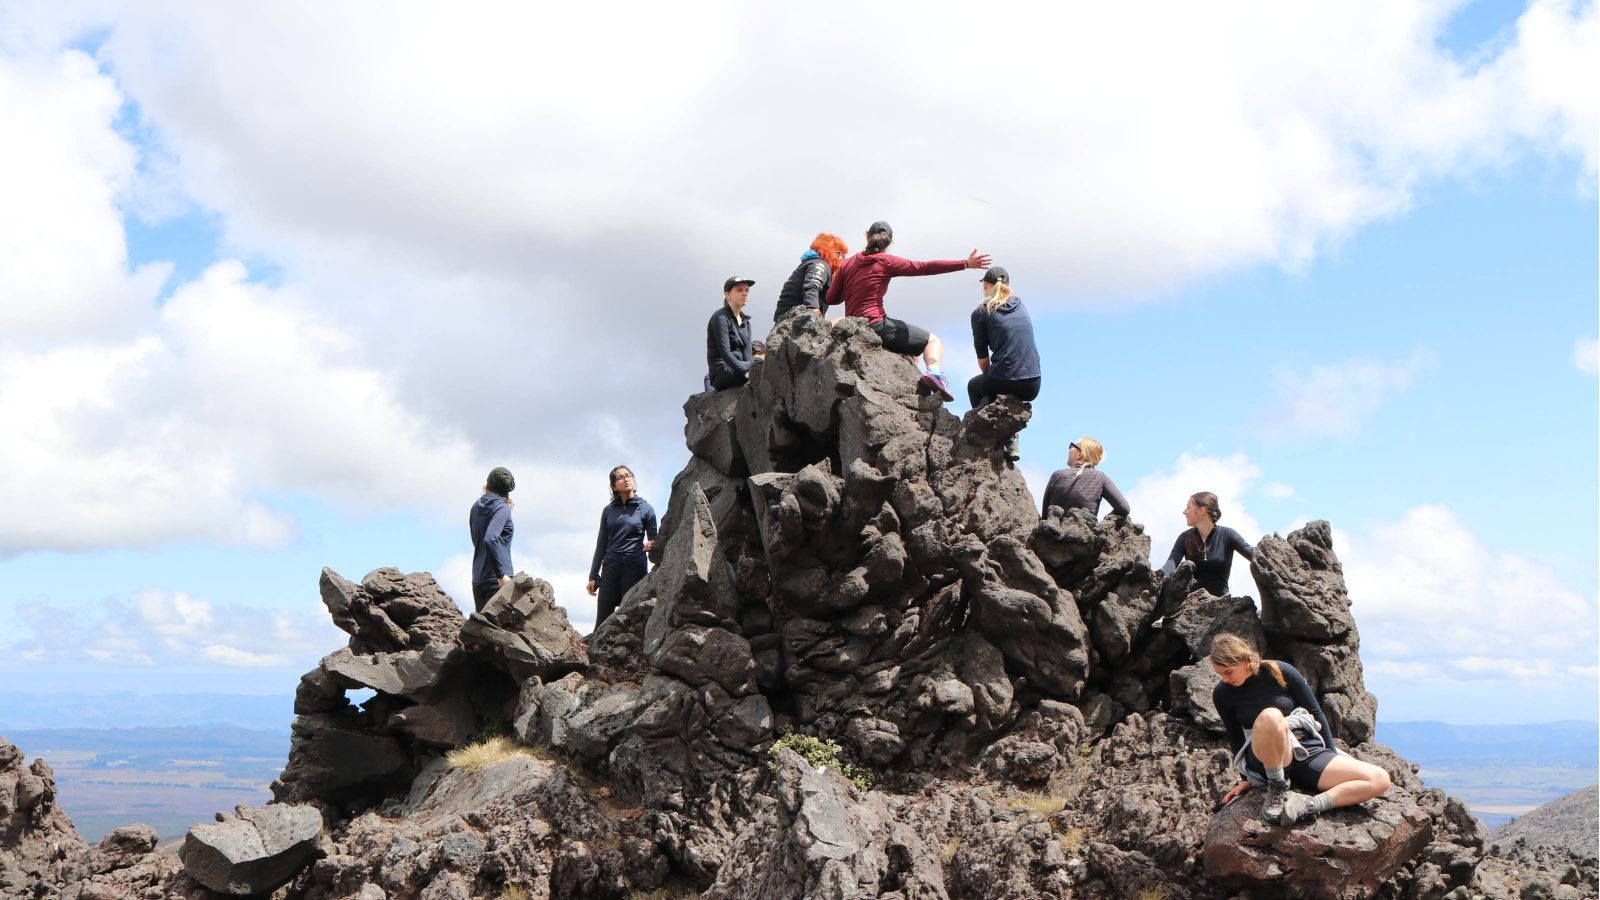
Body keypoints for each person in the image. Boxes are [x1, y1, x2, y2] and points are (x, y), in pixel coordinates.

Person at [1210, 633, 1391, 825]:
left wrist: (1329, 754)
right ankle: (1277, 787)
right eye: (1219, 674)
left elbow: (1316, 712)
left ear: (1245, 661)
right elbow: (1235, 735)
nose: (1224, 678)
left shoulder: (1279, 671)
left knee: (1379, 779)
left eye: (1228, 672)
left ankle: (1307, 806)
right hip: (1267, 757)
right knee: (1270, 716)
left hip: (1306, 750)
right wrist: (1246, 778)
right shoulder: (1222, 694)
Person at [825, 220, 991, 402]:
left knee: (912, 353)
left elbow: (831, 299)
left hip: (854, 329)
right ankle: (934, 374)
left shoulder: (847, 264)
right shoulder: (886, 261)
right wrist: (965, 263)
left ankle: (913, 381)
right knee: (932, 341)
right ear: (888, 243)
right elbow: (925, 267)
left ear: (867, 237)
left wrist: (850, 285)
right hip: (877, 325)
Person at [967, 266, 1041, 460]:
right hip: (1033, 382)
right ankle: (1012, 438)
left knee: (975, 387)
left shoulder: (981, 312)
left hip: (1006, 378)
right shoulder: (1020, 304)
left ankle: (991, 438)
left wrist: (991, 375)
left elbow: (983, 359)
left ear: (986, 286)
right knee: (996, 383)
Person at [586, 465, 659, 628]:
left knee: (630, 621)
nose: (626, 479)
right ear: (614, 486)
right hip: (610, 568)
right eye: (620, 477)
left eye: (628, 475)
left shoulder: (646, 509)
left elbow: (655, 541)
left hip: (634, 568)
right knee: (602, 622)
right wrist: (593, 575)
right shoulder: (608, 511)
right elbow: (601, 544)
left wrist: (652, 545)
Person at [1159, 491, 1254, 596]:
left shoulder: (1227, 534)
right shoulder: (1184, 538)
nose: (1184, 512)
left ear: (1201, 510)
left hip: (1221, 604)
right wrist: (1153, 578)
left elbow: (1254, 555)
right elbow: (1169, 566)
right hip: (1190, 606)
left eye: (1188, 508)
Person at [1041, 437, 1130, 519]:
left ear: (1080, 454)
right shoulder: (1100, 477)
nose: (1069, 449)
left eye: (1072, 446)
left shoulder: (1057, 475)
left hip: (1055, 534)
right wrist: (1103, 524)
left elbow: (1045, 516)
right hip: (1087, 533)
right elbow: (1124, 508)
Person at [468, 466, 516, 612]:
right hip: (498, 580)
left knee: (482, 632)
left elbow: (477, 540)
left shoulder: (475, 507)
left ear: (487, 485)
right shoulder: (502, 508)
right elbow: (490, 539)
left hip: (478, 579)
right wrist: (501, 574)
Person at [774, 233, 848, 323]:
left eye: (843, 256)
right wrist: (813, 309)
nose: (841, 258)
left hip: (787, 319)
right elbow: (812, 285)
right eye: (838, 253)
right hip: (795, 320)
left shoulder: (811, 263)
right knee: (842, 321)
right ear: (826, 250)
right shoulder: (820, 264)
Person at [706, 276, 756, 391]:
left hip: (741, 366)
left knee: (768, 365)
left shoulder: (746, 322)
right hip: (722, 370)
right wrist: (746, 372)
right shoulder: (720, 317)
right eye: (739, 290)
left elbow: (748, 353)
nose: (745, 294)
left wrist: (753, 368)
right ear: (727, 294)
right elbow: (725, 351)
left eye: (747, 290)